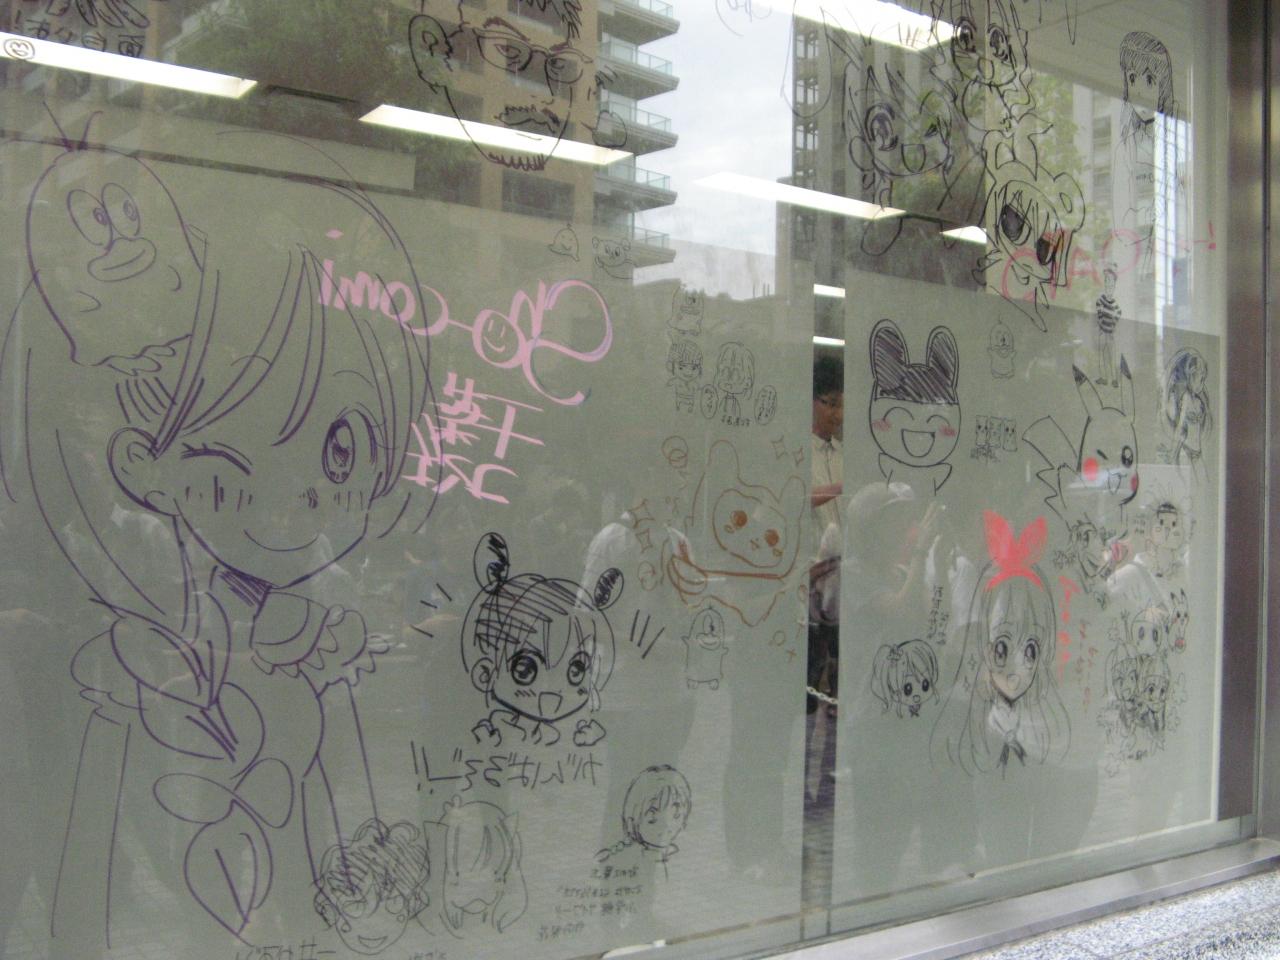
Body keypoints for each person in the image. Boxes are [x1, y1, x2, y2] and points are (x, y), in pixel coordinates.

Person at [809, 355, 843, 712]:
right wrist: (841, 487)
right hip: (808, 579)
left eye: (841, 406)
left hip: (840, 579)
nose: (837, 414)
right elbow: (791, 498)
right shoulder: (796, 449)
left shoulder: (843, 454)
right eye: (830, 404)